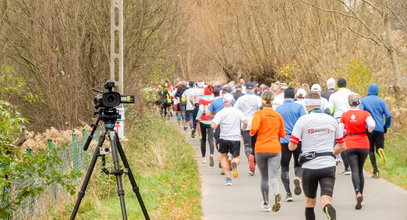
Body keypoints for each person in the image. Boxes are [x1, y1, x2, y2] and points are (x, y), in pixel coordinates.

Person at [289, 92, 346, 220]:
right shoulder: (331, 120)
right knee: (326, 200)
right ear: (320, 104)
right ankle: (328, 210)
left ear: (306, 105)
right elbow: (342, 146)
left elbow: (292, 146)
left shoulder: (303, 120)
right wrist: (331, 153)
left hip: (310, 167)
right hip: (328, 165)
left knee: (310, 202)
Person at [250, 91, 286, 212]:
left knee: (264, 177)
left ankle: (266, 203)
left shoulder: (258, 114)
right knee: (273, 176)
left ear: (262, 100)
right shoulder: (278, 115)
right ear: (272, 101)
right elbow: (283, 134)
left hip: (260, 148)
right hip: (275, 148)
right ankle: (276, 192)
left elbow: (253, 130)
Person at [340, 93, 375, 210]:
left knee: (354, 170)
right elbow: (372, 124)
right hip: (363, 143)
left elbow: (340, 130)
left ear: (349, 103)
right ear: (359, 102)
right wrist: (368, 130)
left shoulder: (344, 115)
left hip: (350, 143)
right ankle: (361, 195)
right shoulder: (365, 114)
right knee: (360, 170)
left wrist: (345, 133)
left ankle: (357, 193)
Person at [276, 88, 307, 202]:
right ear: (294, 96)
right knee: (299, 164)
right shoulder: (299, 107)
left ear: (284, 96)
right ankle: (298, 177)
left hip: (284, 140)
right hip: (297, 139)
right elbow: (304, 121)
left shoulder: (278, 109)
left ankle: (288, 193)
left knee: (284, 167)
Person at [211, 93, 248, 186]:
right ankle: (234, 164)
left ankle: (228, 178)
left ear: (224, 102)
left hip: (224, 138)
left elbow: (213, 125)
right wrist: (243, 128)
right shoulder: (237, 111)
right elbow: (246, 121)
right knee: (236, 157)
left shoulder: (221, 112)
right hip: (235, 138)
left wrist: (216, 125)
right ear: (232, 102)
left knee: (222, 157)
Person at [359, 83, 392, 178]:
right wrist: (386, 125)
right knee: (379, 147)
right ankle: (380, 150)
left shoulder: (364, 101)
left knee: (370, 150)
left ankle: (375, 170)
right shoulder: (381, 101)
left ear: (368, 91)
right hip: (379, 128)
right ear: (377, 91)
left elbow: (361, 114)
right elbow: (388, 115)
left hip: (368, 128)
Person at [234, 82, 262, 175]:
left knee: (247, 145)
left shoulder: (240, 99)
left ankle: (249, 155)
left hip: (245, 124)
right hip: (256, 124)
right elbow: (261, 110)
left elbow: (236, 111)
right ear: (254, 89)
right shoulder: (258, 99)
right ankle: (254, 163)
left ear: (245, 89)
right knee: (256, 145)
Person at [328, 78, 353, 175]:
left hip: (339, 119)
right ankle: (352, 164)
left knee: (341, 142)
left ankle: (346, 167)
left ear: (337, 85)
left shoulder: (333, 96)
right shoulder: (351, 94)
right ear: (346, 84)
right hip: (350, 119)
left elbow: (330, 110)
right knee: (350, 141)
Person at [196, 85, 215, 165]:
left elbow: (200, 110)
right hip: (211, 120)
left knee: (203, 140)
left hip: (203, 121)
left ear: (204, 91)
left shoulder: (201, 100)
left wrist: (197, 118)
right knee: (211, 139)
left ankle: (204, 158)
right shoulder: (213, 100)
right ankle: (212, 154)